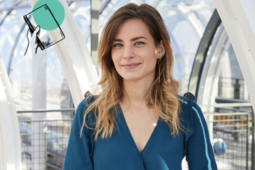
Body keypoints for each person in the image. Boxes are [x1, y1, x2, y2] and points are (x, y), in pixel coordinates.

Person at [63, 2, 218, 170]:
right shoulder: (90, 114)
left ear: (160, 49)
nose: (127, 54)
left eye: (138, 43)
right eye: (118, 45)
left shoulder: (187, 113)